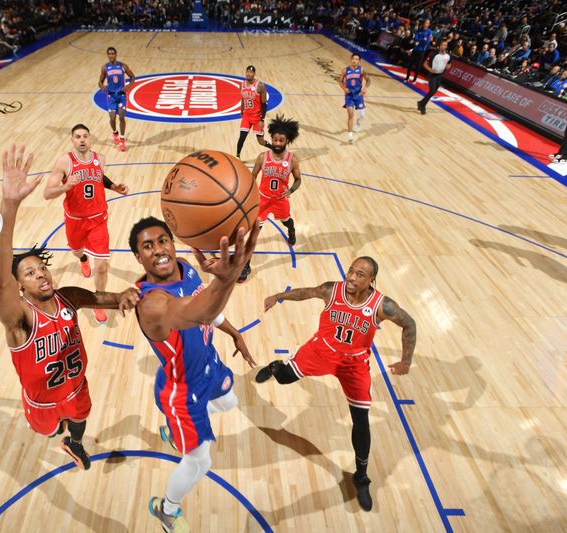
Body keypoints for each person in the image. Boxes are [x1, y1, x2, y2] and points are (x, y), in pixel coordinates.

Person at [0, 144, 140, 470]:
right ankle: (58, 431)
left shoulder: (67, 296)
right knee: (47, 430)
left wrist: (123, 296)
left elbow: (100, 299)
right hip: (42, 403)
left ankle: (74, 442)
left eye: (41, 268)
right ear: (20, 286)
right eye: (29, 273)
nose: (40, 273)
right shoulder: (20, 320)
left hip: (76, 385)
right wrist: (10, 204)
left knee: (81, 417)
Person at [254, 256, 417, 512]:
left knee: (361, 421)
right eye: (351, 271)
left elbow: (409, 324)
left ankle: (361, 477)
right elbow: (307, 292)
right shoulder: (333, 290)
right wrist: (278, 296)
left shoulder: (381, 305)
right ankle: (276, 366)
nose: (351, 277)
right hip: (322, 350)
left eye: (360, 275)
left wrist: (406, 360)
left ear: (371, 280)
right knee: (285, 379)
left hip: (354, 365)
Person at [129, 216, 259, 532]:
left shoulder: (185, 267)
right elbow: (197, 311)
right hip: (183, 393)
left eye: (163, 240)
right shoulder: (152, 304)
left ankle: (175, 433)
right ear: (137, 257)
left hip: (207, 365)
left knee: (229, 402)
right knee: (201, 463)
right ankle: (167, 509)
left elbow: (204, 303)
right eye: (147, 246)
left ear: (173, 243)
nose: (159, 250)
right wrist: (226, 279)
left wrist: (234, 332)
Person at [43, 124, 128, 324]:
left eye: (85, 136)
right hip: (75, 220)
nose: (82, 140)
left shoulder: (101, 159)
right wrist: (66, 186)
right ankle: (82, 259)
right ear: (72, 140)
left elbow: (99, 178)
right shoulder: (64, 162)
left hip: (98, 219)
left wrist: (114, 187)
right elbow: (47, 193)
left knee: (101, 267)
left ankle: (98, 301)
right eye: (77, 137)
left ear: (91, 139)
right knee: (76, 250)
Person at [238, 115, 302, 283]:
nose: (278, 143)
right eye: (275, 139)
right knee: (254, 233)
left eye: (281, 140)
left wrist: (291, 191)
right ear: (271, 139)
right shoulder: (262, 157)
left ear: (287, 140)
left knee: (286, 221)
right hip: (263, 201)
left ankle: (291, 229)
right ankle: (246, 265)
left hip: (281, 200)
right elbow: (252, 178)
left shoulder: (292, 159)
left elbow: (298, 180)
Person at [98, 47, 135, 152]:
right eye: (109, 54)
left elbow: (133, 77)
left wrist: (128, 86)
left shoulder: (122, 66)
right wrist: (102, 87)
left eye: (113, 53)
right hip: (111, 96)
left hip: (121, 95)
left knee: (122, 117)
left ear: (116, 54)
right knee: (112, 118)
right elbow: (100, 82)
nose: (111, 55)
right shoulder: (105, 68)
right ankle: (115, 132)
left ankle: (122, 139)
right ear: (107, 55)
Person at [236, 65, 272, 158]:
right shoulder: (242, 85)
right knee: (242, 137)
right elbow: (243, 98)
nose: (248, 73)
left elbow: (264, 104)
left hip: (257, 117)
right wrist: (241, 110)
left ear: (254, 74)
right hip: (247, 116)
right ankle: (237, 156)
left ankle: (274, 149)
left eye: (251, 72)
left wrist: (262, 119)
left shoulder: (260, 86)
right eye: (247, 71)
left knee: (261, 142)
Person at [340, 52, 370, 144]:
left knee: (362, 115)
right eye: (353, 59)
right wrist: (344, 88)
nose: (354, 61)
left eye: (357, 59)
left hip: (358, 95)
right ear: (351, 59)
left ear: (359, 61)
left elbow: (368, 80)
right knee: (350, 115)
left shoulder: (361, 70)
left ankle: (358, 123)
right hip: (349, 96)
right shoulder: (345, 70)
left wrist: (365, 88)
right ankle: (350, 136)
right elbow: (340, 81)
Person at [417, 40, 451, 115]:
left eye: (445, 45)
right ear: (439, 46)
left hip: (440, 75)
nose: (443, 46)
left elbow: (449, 64)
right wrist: (429, 69)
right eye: (442, 45)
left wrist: (448, 66)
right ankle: (423, 106)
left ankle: (421, 103)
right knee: (432, 90)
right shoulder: (434, 54)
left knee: (433, 92)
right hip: (432, 75)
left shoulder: (448, 56)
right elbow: (425, 64)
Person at [404, 19, 432, 83]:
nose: (425, 24)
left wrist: (418, 40)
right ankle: (407, 77)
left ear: (428, 24)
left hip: (422, 51)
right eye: (425, 22)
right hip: (415, 49)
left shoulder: (429, 32)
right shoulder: (419, 30)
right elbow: (415, 38)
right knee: (410, 64)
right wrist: (422, 39)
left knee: (418, 65)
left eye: (427, 23)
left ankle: (414, 79)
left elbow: (427, 41)